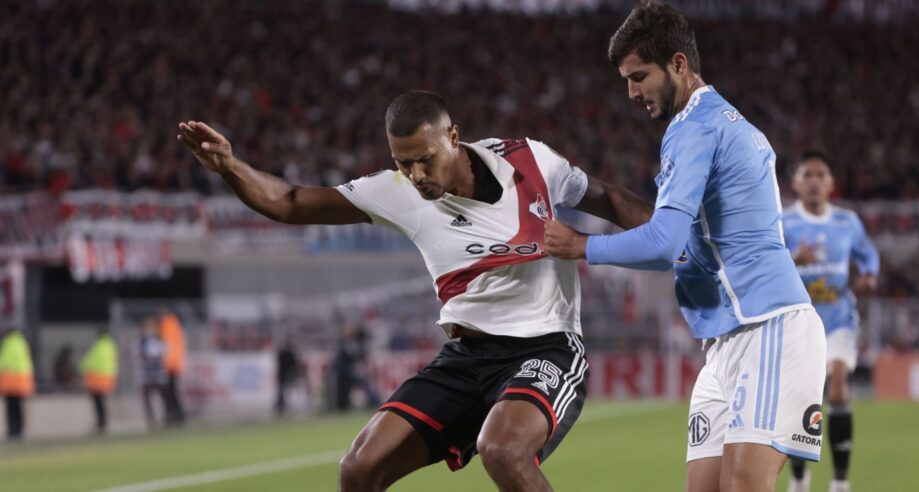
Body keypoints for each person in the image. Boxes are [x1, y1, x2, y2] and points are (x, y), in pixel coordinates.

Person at [177, 89, 653, 491]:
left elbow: (608, 197)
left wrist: (674, 238)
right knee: (359, 468)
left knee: (503, 451)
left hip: (547, 347)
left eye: (425, 159)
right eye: (404, 163)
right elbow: (288, 202)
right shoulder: (398, 192)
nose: (417, 175)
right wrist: (229, 166)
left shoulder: (529, 159)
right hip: (466, 358)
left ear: (452, 136)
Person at [543, 3, 826, 491]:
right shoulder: (721, 121)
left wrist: (580, 245)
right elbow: (684, 242)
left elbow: (663, 241)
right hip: (726, 341)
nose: (631, 92)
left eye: (639, 76)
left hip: (768, 326)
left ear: (678, 64)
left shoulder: (695, 127)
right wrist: (605, 197)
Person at [781, 151, 879, 492]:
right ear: (795, 183)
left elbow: (868, 256)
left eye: (820, 175)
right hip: (799, 324)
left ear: (831, 184)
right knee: (802, 399)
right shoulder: (783, 222)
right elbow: (765, 265)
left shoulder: (847, 222)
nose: (813, 181)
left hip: (838, 319)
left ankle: (839, 482)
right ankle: (799, 477)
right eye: (806, 175)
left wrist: (869, 276)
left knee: (838, 386)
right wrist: (793, 258)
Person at [79, 328, 119, 434]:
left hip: (97, 379)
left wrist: (80, 367)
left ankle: (101, 424)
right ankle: (102, 423)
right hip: (107, 378)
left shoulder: (99, 346)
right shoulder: (111, 345)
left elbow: (90, 361)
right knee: (102, 403)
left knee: (98, 403)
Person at [0, 326, 34, 441]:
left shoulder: (9, 344)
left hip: (10, 382)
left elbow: (5, 362)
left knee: (11, 409)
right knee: (18, 408)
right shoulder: (22, 343)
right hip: (22, 382)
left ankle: (13, 431)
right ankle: (19, 430)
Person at [157, 309, 186, 426]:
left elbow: (165, 345)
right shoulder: (175, 324)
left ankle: (173, 414)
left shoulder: (166, 325)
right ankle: (177, 414)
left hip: (169, 364)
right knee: (172, 391)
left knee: (168, 392)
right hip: (176, 363)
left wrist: (163, 361)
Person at [139, 317, 168, 428]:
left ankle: (166, 417)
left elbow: (162, 353)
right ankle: (151, 420)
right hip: (146, 374)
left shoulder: (159, 340)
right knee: (147, 398)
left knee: (163, 396)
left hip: (158, 373)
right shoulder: (142, 342)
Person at [275, 337, 302, 415]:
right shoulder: (288, 353)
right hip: (286, 374)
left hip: (284, 374)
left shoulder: (283, 353)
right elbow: (294, 364)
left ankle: (282, 405)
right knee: (284, 391)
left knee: (284, 391)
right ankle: (282, 405)